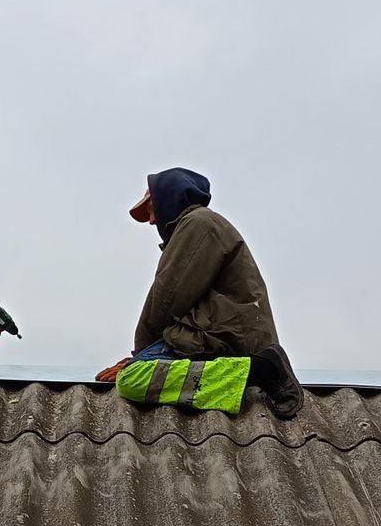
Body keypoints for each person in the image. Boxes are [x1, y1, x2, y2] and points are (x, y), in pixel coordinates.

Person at [96, 167, 304, 419]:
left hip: (223, 337)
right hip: (219, 334)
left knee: (133, 379)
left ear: (169, 198)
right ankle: (255, 369)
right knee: (138, 370)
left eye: (151, 209)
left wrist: (140, 358)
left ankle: (261, 370)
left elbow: (166, 299)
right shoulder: (202, 224)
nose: (151, 220)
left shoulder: (198, 224)